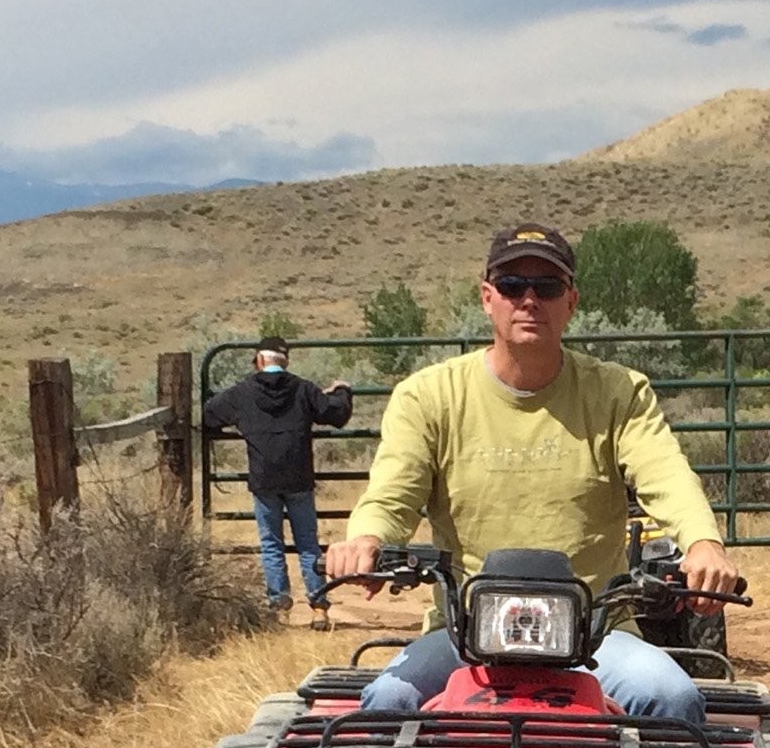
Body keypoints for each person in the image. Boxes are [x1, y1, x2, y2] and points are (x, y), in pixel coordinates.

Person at [320, 223, 740, 722]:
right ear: (486, 297)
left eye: (546, 287)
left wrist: (702, 544)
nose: (528, 300)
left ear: (571, 301)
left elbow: (665, 473)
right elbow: (393, 492)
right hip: (464, 635)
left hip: (596, 634)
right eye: (513, 286)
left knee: (671, 699)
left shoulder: (617, 393)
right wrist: (366, 540)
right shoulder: (429, 396)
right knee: (388, 705)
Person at [201, 334, 353, 627]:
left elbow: (209, 414)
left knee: (271, 544)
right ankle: (319, 606)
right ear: (285, 362)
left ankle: (279, 607)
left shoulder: (243, 393)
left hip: (264, 480)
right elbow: (336, 413)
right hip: (299, 479)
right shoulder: (303, 389)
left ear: (259, 361)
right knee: (308, 543)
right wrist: (342, 390)